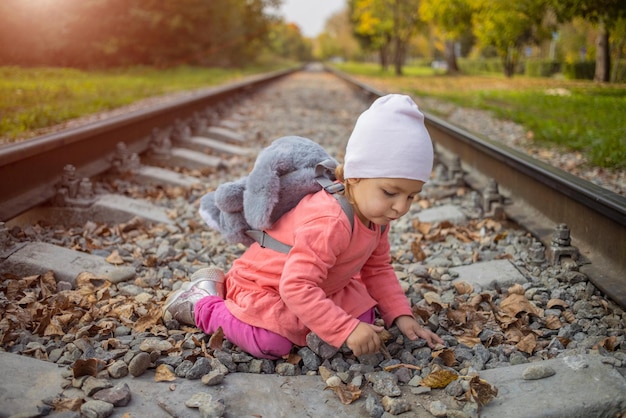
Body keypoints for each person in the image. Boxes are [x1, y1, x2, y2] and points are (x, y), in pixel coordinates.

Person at [163, 94, 444, 359]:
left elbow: (377, 268)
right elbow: (295, 286)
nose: (401, 207)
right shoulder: (330, 221)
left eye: (411, 196)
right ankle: (201, 303)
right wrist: (344, 329)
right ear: (355, 176)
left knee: (366, 319)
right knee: (272, 343)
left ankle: (318, 317)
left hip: (321, 283)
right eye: (390, 192)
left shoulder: (378, 217)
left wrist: (401, 315)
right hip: (267, 286)